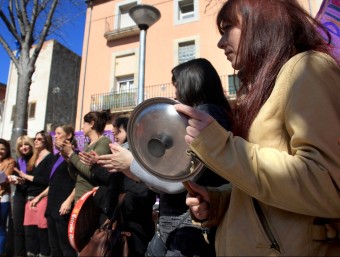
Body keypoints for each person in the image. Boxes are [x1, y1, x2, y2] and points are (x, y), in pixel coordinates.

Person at [172, 0, 340, 256]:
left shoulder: (309, 68)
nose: (220, 43)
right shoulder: (268, 87)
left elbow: (326, 184)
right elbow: (268, 188)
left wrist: (220, 146)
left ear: (262, 23)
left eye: (228, 27)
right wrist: (219, 201)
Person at [96, 58, 233, 257]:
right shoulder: (213, 114)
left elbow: (180, 182)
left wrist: (131, 164)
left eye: (177, 87)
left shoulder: (205, 116)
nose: (175, 94)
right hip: (176, 227)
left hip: (187, 230)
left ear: (191, 84)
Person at [80, 115, 157, 257]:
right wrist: (96, 165)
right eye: (114, 132)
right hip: (120, 228)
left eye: (118, 132)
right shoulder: (121, 155)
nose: (114, 136)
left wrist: (101, 196)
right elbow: (113, 181)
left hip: (131, 233)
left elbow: (134, 195)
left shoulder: (141, 158)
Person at [32, 124, 77, 257]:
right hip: (52, 206)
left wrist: (68, 201)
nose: (55, 136)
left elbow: (79, 182)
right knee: (54, 247)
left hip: (63, 206)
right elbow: (54, 183)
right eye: (55, 134)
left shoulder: (75, 155)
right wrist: (39, 197)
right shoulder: (57, 157)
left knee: (66, 247)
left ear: (68, 136)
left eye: (58, 133)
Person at [59, 110, 112, 202]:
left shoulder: (104, 142)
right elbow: (77, 176)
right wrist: (68, 160)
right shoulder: (87, 145)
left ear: (92, 124)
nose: (82, 126)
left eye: (84, 123)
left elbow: (90, 172)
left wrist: (71, 154)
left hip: (91, 199)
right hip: (80, 198)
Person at [16, 131, 54, 257]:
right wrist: (21, 181)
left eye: (39, 139)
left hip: (42, 198)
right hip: (29, 199)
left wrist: (25, 176)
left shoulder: (50, 158)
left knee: (42, 232)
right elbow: (30, 181)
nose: (36, 141)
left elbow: (46, 181)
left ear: (46, 142)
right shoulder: (33, 158)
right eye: (35, 139)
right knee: (29, 233)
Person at [8, 136, 35, 257]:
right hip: (19, 195)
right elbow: (14, 176)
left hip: (32, 196)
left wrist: (24, 178)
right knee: (18, 229)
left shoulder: (37, 159)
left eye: (26, 144)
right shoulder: (19, 161)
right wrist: (13, 179)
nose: (23, 147)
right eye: (21, 146)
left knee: (30, 230)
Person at [0, 139, 15, 256]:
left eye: (3, 149)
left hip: (2, 197)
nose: (0, 151)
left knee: (1, 228)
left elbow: (4, 179)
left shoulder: (10, 161)